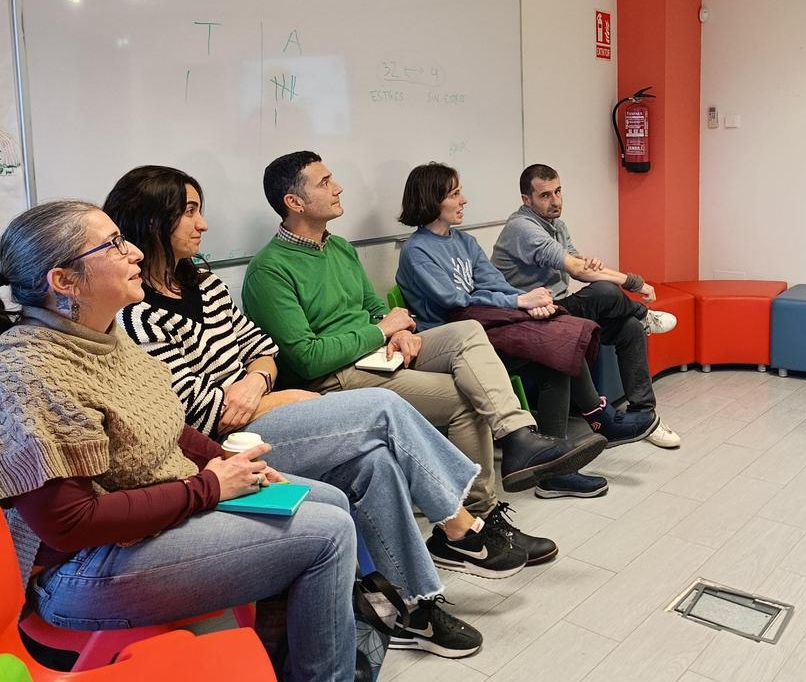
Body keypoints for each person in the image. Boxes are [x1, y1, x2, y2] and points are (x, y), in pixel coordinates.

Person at [104, 165, 525, 657]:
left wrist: (257, 380)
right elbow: (198, 412)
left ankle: (411, 604)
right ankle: (459, 523)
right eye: (191, 212)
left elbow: (260, 347)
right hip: (227, 447)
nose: (203, 224)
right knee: (383, 410)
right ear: (154, 221)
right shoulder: (137, 312)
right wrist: (275, 395)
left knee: (376, 462)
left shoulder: (201, 280)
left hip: (266, 408)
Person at [0, 200, 359, 681]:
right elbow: (70, 525)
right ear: (64, 281)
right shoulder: (31, 372)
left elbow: (167, 427)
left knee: (327, 498)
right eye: (114, 245)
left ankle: (282, 649)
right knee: (329, 534)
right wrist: (210, 487)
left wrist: (236, 465)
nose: (135, 254)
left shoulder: (102, 335)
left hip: (155, 516)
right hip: (80, 572)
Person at [241, 152, 604, 566]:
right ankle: (476, 522)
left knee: (469, 331)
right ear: (295, 202)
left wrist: (400, 330)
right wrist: (383, 330)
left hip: (379, 355)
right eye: (325, 183)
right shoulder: (269, 270)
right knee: (463, 397)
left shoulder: (339, 248)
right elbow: (307, 359)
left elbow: (375, 309)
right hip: (336, 377)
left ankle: (517, 437)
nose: (338, 187)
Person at [396, 162, 659, 499]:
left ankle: (555, 470)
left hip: (488, 326)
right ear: (433, 200)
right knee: (560, 340)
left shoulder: (465, 241)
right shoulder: (416, 250)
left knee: (557, 354)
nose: (464, 200)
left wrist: (525, 300)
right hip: (455, 339)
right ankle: (599, 418)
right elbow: (455, 301)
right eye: (455, 194)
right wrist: (519, 302)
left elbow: (495, 284)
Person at [492, 163, 681, 448]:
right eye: (545, 195)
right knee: (605, 291)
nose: (555, 201)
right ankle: (644, 314)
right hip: (530, 319)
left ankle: (644, 416)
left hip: (557, 312)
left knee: (628, 329)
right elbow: (578, 271)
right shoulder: (522, 227)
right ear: (526, 200)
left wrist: (587, 263)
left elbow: (578, 264)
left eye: (558, 191)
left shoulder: (558, 225)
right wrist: (635, 282)